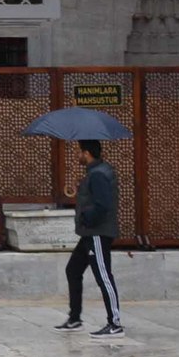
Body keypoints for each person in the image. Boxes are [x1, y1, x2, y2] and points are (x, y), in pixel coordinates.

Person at [57, 139, 122, 335]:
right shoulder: (96, 172)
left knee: (103, 276)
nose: (78, 156)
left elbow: (103, 205)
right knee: (73, 270)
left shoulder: (99, 175)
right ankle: (74, 318)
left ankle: (115, 323)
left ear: (86, 153)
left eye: (79, 152)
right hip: (88, 233)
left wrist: (87, 218)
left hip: (97, 233)